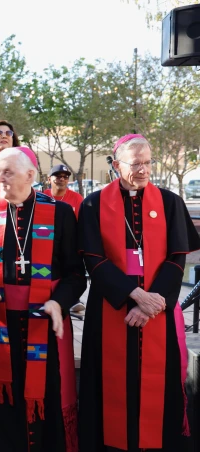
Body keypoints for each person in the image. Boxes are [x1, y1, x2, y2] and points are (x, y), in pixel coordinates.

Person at [0, 147, 86, 451]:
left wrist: (59, 302)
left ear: (30, 175)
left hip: (43, 321)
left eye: (7, 172)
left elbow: (75, 274)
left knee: (44, 398)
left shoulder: (60, 213)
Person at [78, 134, 200, 452]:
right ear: (117, 165)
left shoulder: (170, 202)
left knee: (160, 387)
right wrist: (133, 295)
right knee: (109, 389)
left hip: (156, 312)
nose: (144, 169)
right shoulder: (93, 203)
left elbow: (178, 257)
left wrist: (151, 303)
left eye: (148, 162)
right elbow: (94, 260)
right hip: (111, 309)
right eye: (136, 164)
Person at [44, 164, 85, 313]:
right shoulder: (42, 196)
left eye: (65, 177)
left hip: (69, 242)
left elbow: (81, 222)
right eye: (58, 176)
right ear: (49, 179)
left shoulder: (76, 198)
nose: (62, 179)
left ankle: (73, 299)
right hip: (46, 240)